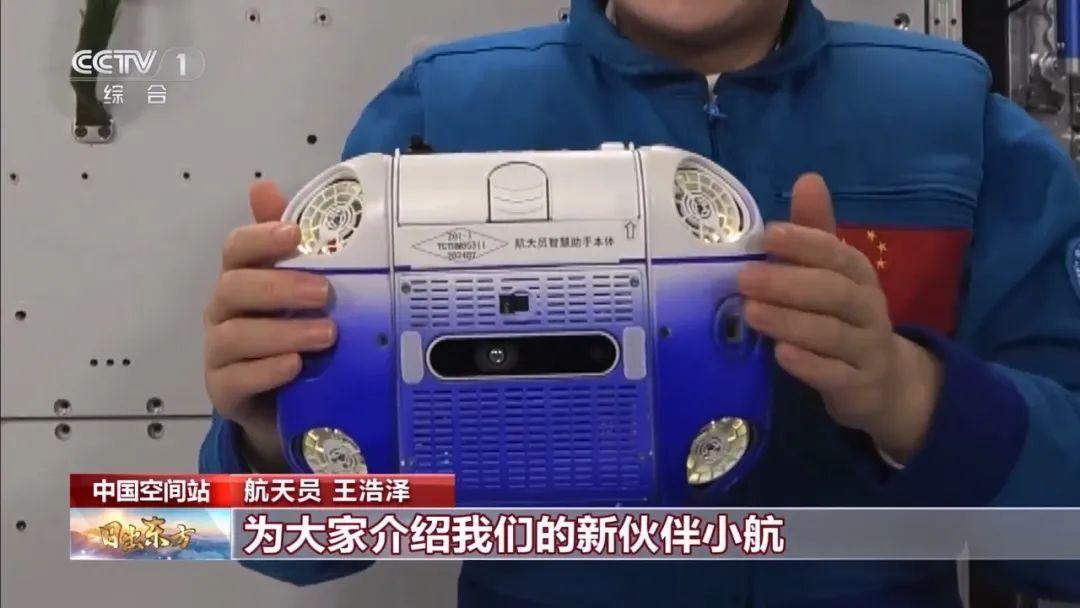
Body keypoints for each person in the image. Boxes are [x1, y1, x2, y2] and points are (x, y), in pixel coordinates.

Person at [199, 0, 1080, 605]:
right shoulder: (443, 114)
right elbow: (278, 543)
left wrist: (912, 395)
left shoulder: (952, 118)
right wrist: (274, 440)